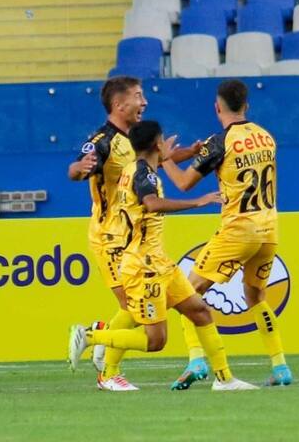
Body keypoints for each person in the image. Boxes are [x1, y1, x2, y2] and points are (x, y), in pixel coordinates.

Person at [68, 120, 257, 391]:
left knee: (200, 311)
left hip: (159, 263)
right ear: (157, 144)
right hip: (144, 267)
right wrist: (198, 201)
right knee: (155, 341)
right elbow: (152, 203)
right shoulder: (144, 175)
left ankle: (225, 379)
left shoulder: (137, 168)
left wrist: (177, 154)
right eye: (163, 140)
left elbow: (154, 170)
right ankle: (90, 336)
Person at [67, 76, 198, 390]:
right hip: (110, 236)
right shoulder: (102, 140)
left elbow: (155, 161)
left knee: (141, 306)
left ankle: (102, 336)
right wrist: (78, 168)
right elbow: (75, 168)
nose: (145, 102)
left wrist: (189, 152)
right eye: (139, 96)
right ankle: (106, 369)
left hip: (132, 236)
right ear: (119, 104)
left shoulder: (136, 139)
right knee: (135, 308)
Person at [161, 79, 290, 389]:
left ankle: (196, 360)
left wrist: (165, 157)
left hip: (238, 229)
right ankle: (280, 366)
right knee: (256, 295)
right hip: (269, 227)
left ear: (217, 107)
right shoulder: (266, 137)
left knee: (187, 294)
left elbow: (183, 184)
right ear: (246, 105)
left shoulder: (220, 142)